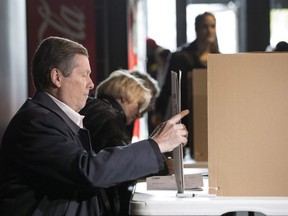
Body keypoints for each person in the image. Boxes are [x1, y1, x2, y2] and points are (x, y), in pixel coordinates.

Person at [0, 36, 189, 216]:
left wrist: (153, 146)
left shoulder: (52, 118)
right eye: (84, 75)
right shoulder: (36, 122)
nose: (91, 84)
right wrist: (156, 146)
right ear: (57, 77)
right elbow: (88, 171)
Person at [80, 69, 163, 216]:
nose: (138, 114)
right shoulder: (110, 118)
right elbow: (120, 165)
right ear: (124, 97)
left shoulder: (93, 108)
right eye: (138, 105)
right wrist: (161, 168)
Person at [154, 11, 219, 158]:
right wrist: (158, 111)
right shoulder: (180, 56)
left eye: (213, 26)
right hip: (186, 115)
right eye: (205, 26)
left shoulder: (219, 58)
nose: (209, 30)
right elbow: (167, 88)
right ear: (196, 29)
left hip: (211, 115)